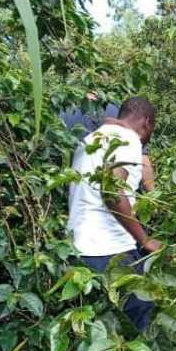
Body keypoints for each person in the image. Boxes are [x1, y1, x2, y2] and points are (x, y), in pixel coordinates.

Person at [67, 97, 162, 330]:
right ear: (147, 122)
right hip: (108, 252)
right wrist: (145, 239)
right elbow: (111, 190)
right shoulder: (128, 139)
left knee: (99, 331)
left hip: (77, 252)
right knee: (136, 325)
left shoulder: (90, 139)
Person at [60, 100, 155, 193]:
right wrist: (152, 196)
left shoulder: (63, 114)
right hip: (112, 192)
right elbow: (144, 162)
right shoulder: (117, 112)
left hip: (72, 188)